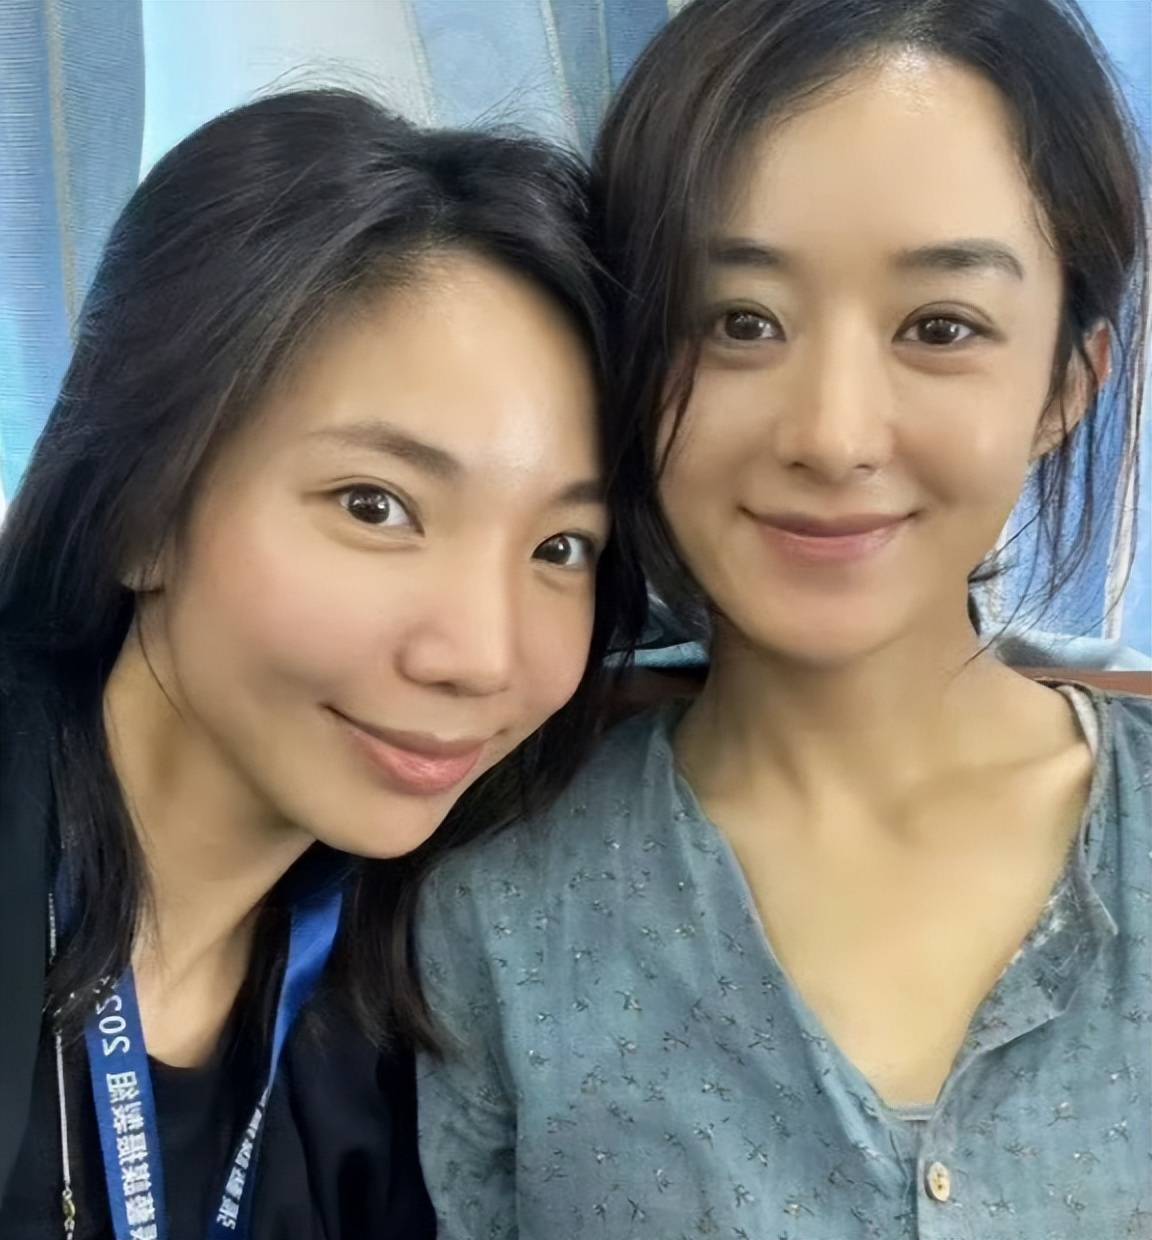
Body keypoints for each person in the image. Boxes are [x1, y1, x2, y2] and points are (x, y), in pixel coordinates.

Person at [414, 1, 1151, 1236]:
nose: (832, 434)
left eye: (941, 328)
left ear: (1064, 388)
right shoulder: (493, 903)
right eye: (740, 322)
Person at [0, 88, 643, 1239]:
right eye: (375, 505)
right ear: (141, 509)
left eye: (560, 547)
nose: (481, 656)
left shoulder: (398, 1008)